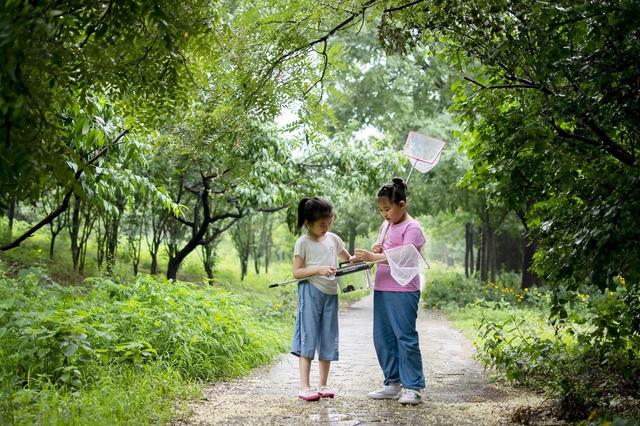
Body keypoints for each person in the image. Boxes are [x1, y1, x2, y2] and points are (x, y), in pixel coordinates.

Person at [355, 177, 426, 405]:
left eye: (387, 209)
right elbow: (386, 249)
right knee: (383, 337)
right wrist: (378, 247)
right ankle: (392, 383)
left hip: (404, 289)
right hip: (383, 286)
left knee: (405, 337)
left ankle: (413, 387)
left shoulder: (413, 228)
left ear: (402, 205)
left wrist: (375, 256)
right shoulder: (386, 225)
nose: (384, 214)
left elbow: (405, 256)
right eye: (381, 210)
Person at [291, 196, 354, 401]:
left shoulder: (333, 239)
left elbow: (348, 259)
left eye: (329, 222)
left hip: (330, 294)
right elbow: (297, 272)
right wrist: (319, 269)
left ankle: (323, 384)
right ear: (308, 222)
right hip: (311, 292)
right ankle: (304, 386)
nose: (325, 227)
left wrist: (361, 258)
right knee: (308, 336)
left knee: (328, 336)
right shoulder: (303, 243)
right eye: (321, 224)